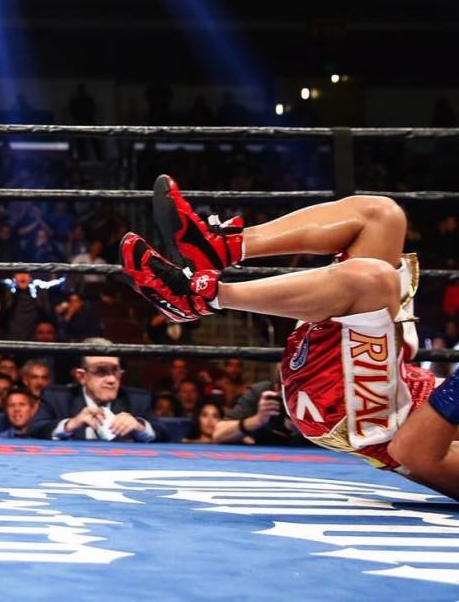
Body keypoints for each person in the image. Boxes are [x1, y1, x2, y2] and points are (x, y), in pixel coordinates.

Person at [122, 173, 459, 497]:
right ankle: (219, 248)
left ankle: (202, 297)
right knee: (381, 216)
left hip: (360, 416)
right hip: (392, 375)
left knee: (373, 280)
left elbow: (412, 452)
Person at [29, 342, 167, 442]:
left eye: (115, 371)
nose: (112, 380)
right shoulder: (57, 397)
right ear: (82, 376)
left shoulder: (137, 399)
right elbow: (35, 430)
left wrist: (140, 427)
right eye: (101, 371)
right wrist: (70, 425)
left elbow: (164, 435)